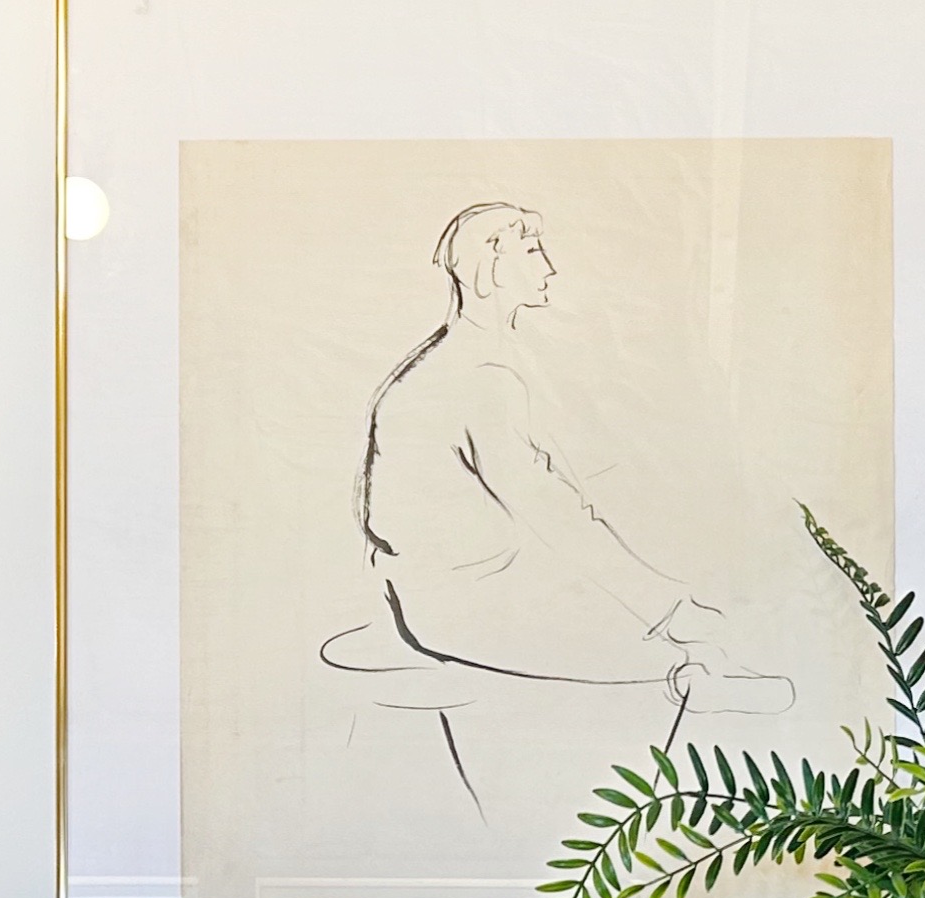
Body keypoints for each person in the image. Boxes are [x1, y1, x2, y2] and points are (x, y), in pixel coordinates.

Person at [329, 203, 789, 718]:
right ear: (491, 269)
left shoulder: (484, 358)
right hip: (464, 604)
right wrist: (670, 608)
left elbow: (559, 477)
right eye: (531, 252)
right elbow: (550, 510)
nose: (548, 268)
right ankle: (695, 681)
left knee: (703, 608)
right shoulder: (480, 377)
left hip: (476, 580)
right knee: (691, 645)